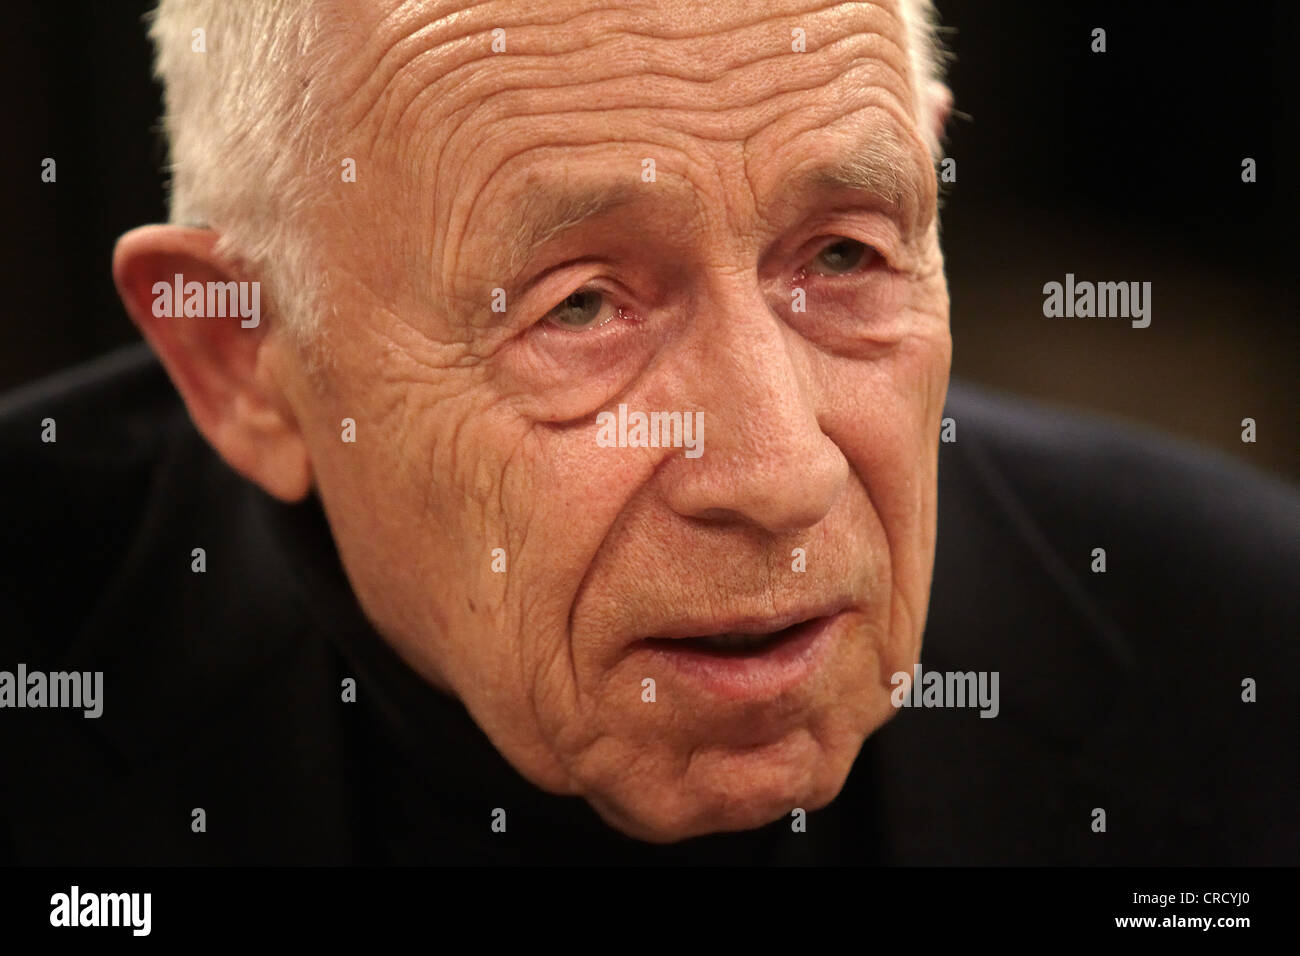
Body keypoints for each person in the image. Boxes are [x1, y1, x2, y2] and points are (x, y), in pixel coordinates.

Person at [0, 0, 1295, 865]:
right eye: (580, 307)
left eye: (842, 252)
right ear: (242, 359)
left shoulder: (1246, 651)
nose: (779, 475)